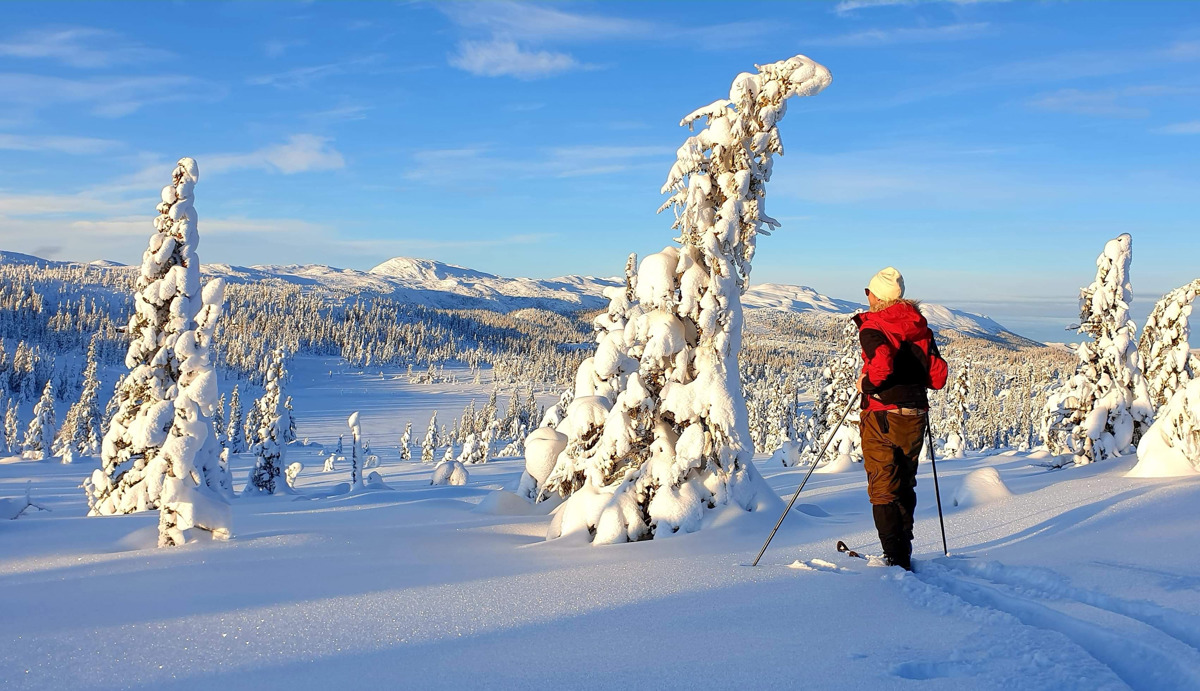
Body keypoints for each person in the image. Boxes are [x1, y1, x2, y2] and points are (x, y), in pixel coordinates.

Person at [853, 267, 948, 570]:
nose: (866, 297)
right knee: (905, 484)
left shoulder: (873, 327)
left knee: (882, 486)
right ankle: (902, 550)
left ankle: (895, 558)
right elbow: (938, 376)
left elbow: (880, 364)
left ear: (876, 296)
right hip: (915, 415)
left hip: (881, 413)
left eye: (868, 292)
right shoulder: (920, 328)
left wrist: (866, 384)